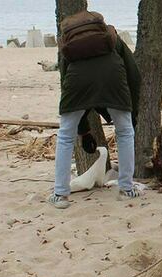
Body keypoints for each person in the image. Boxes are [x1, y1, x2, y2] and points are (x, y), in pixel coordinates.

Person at [49, 13, 141, 209]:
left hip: (76, 81)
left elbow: (66, 81)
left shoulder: (69, 45)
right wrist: (132, 113)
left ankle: (60, 195)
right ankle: (126, 189)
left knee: (65, 136)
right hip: (114, 79)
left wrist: (83, 131)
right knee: (125, 132)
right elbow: (134, 74)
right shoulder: (111, 37)